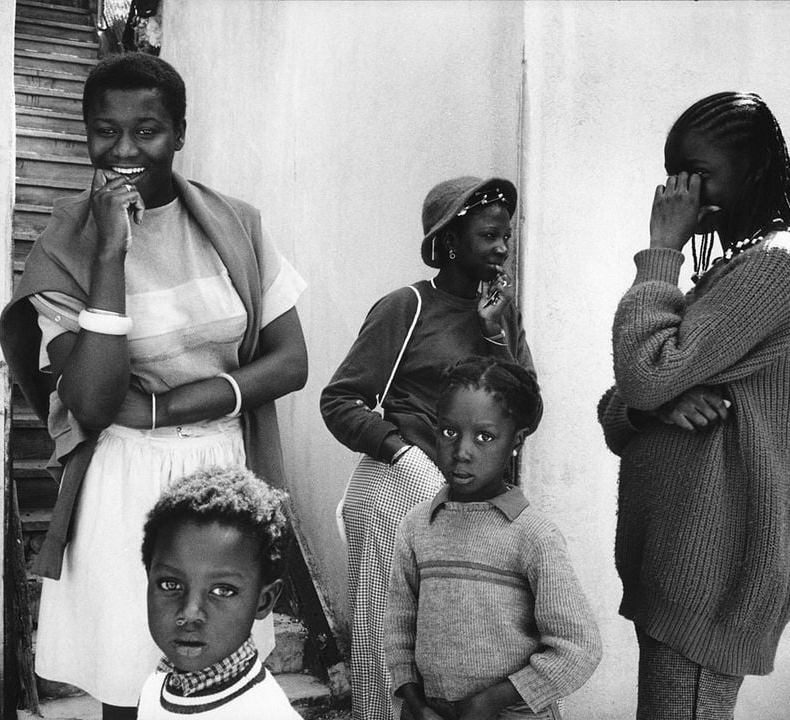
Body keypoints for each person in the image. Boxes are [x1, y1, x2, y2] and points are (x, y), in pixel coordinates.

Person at [0, 53, 308, 720]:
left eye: (148, 130)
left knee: (220, 677)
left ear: (180, 131)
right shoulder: (67, 243)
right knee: (129, 680)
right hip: (125, 478)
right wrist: (110, 252)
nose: (124, 149)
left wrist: (166, 406)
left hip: (223, 474)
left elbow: (289, 362)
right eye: (105, 131)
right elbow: (95, 402)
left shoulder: (239, 225)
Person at [597, 91, 790, 719]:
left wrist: (661, 248)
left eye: (699, 173)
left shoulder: (779, 268)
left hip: (711, 583)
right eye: (674, 172)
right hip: (679, 576)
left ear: (754, 170)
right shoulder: (738, 270)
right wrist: (651, 408)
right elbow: (623, 402)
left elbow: (644, 375)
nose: (683, 192)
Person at [320, 176, 535, 720]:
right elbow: (340, 399)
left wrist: (493, 334)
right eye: (489, 236)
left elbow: (526, 413)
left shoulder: (501, 316)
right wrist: (403, 453)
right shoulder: (406, 307)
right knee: (384, 639)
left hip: (466, 499)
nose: (502, 248)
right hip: (398, 487)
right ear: (452, 240)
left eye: (506, 236)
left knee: (458, 640)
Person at [386, 356, 601, 720]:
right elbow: (398, 631)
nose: (462, 452)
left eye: (484, 437)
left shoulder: (532, 536)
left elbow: (579, 647)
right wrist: (415, 703)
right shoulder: (417, 527)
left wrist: (491, 701)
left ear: (515, 441)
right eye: (449, 432)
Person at [136, 465, 302, 719]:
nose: (190, 613)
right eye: (171, 585)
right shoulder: (155, 687)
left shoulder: (264, 712)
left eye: (222, 590)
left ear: (264, 600)